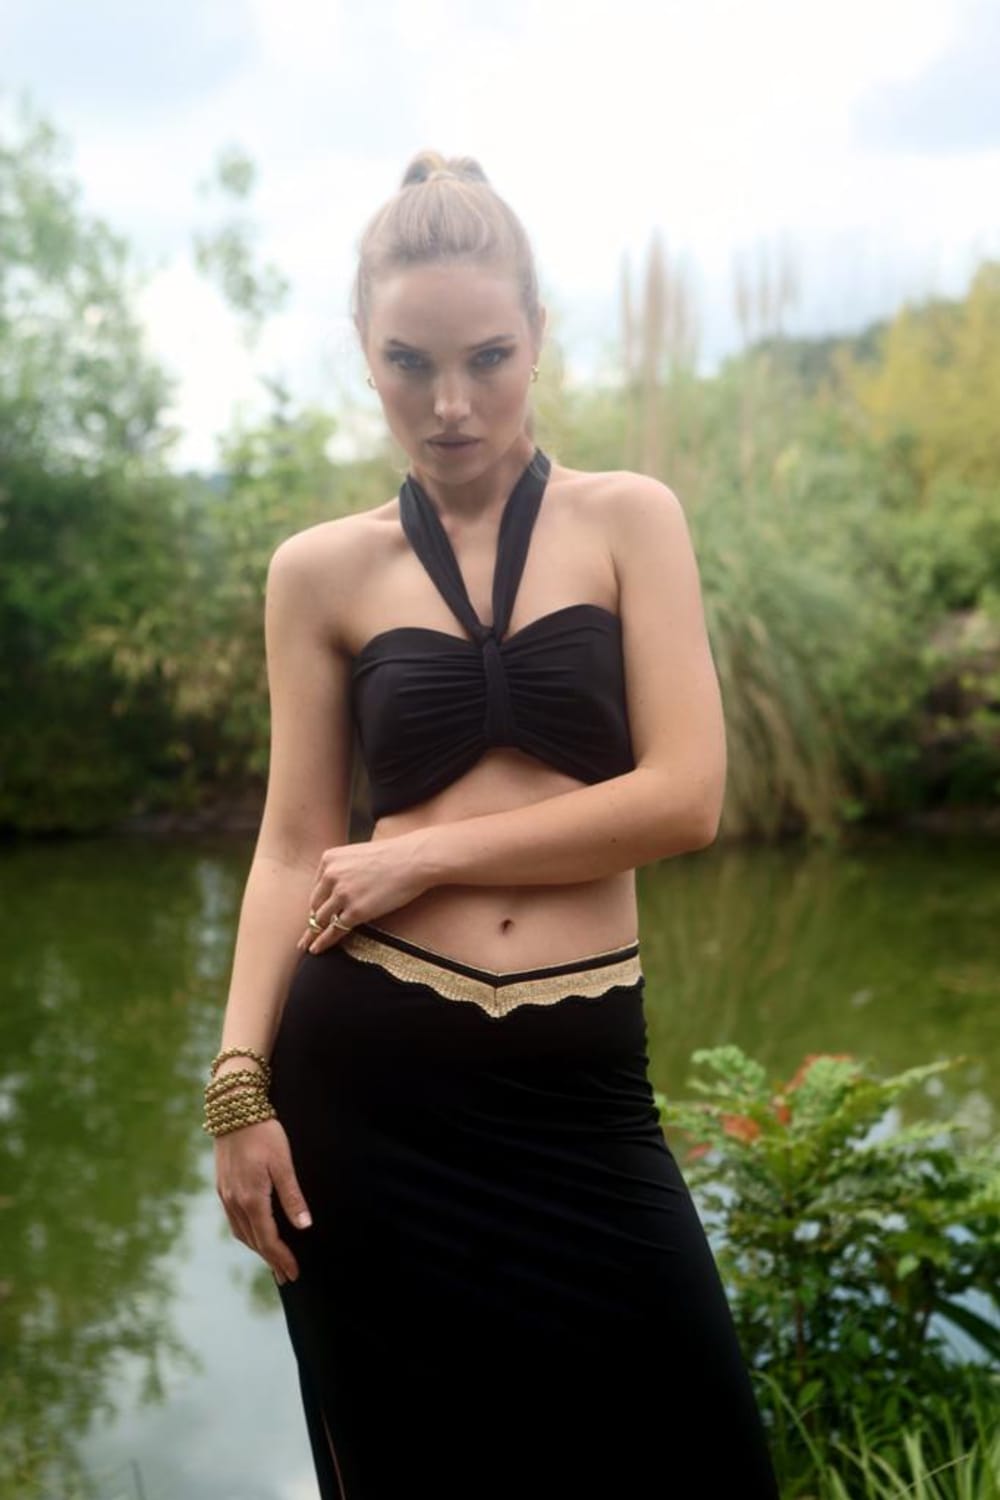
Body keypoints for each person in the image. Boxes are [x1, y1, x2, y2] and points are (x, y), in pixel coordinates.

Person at [207, 151, 781, 1499]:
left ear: (539, 336)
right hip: (370, 1091)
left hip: (580, 1087)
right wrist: (237, 1087)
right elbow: (290, 846)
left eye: (488, 358)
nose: (451, 403)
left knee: (702, 1459)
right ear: (364, 350)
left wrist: (422, 851)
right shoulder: (318, 572)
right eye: (409, 363)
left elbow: (686, 798)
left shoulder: (630, 521)